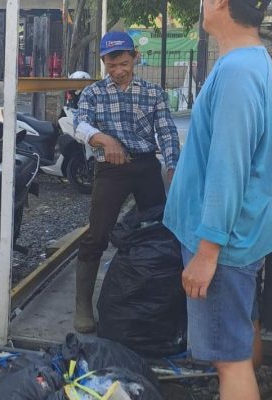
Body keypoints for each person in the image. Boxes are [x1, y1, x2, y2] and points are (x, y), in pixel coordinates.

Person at [163, 1, 272, 399]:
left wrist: (207, 251)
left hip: (226, 243)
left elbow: (227, 169)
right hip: (242, 233)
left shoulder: (237, 72)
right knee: (240, 336)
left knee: (228, 360)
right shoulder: (251, 61)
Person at [73, 31, 181, 334]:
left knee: (158, 230)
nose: (118, 71)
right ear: (104, 62)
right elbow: (79, 125)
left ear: (135, 57)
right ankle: (82, 305)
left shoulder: (153, 93)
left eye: (123, 63)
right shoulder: (93, 93)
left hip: (146, 165)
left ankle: (153, 295)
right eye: (111, 65)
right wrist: (104, 139)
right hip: (110, 167)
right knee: (97, 234)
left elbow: (167, 133)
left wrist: (173, 167)